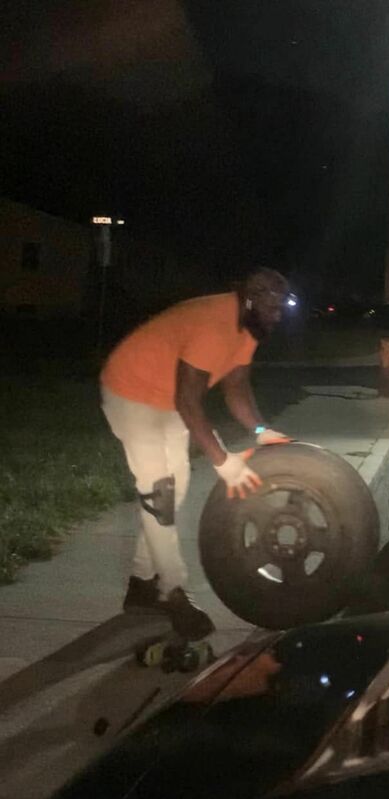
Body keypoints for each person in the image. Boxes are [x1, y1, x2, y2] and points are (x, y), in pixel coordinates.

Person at [100, 267, 291, 639]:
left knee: (176, 488)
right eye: (273, 308)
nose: (278, 317)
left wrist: (261, 430)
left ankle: (142, 583)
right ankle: (171, 592)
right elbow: (189, 401)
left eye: (282, 309)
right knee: (160, 494)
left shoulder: (247, 327)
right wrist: (223, 461)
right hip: (131, 393)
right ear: (252, 298)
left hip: (166, 398)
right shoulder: (215, 324)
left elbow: (235, 387)